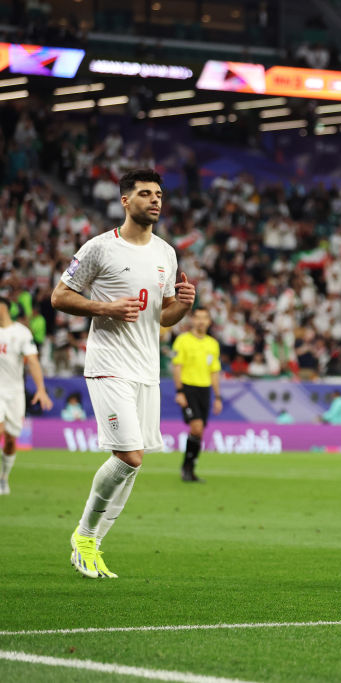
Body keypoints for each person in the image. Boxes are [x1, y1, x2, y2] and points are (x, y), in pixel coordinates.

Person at [52, 169, 195, 579]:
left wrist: (182, 306)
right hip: (109, 365)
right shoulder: (99, 249)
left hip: (147, 369)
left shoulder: (166, 253)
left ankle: (92, 543)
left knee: (134, 462)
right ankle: (83, 535)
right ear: (125, 201)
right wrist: (105, 307)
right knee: (128, 455)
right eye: (145, 194)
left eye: (159, 195)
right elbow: (59, 296)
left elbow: (162, 317)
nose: (155, 201)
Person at [0, 295, 53, 495]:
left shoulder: (21, 333)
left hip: (14, 392)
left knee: (12, 439)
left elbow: (32, 361)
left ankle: (3, 478)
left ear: (4, 308)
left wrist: (40, 388)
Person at [171, 307, 222, 483]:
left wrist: (217, 397)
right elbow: (177, 367)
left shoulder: (212, 344)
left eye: (204, 318)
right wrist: (179, 391)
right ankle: (187, 468)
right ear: (192, 320)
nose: (201, 321)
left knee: (199, 432)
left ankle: (190, 469)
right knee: (197, 427)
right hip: (188, 388)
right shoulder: (183, 340)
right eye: (198, 317)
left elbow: (214, 372)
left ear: (209, 321)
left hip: (204, 390)